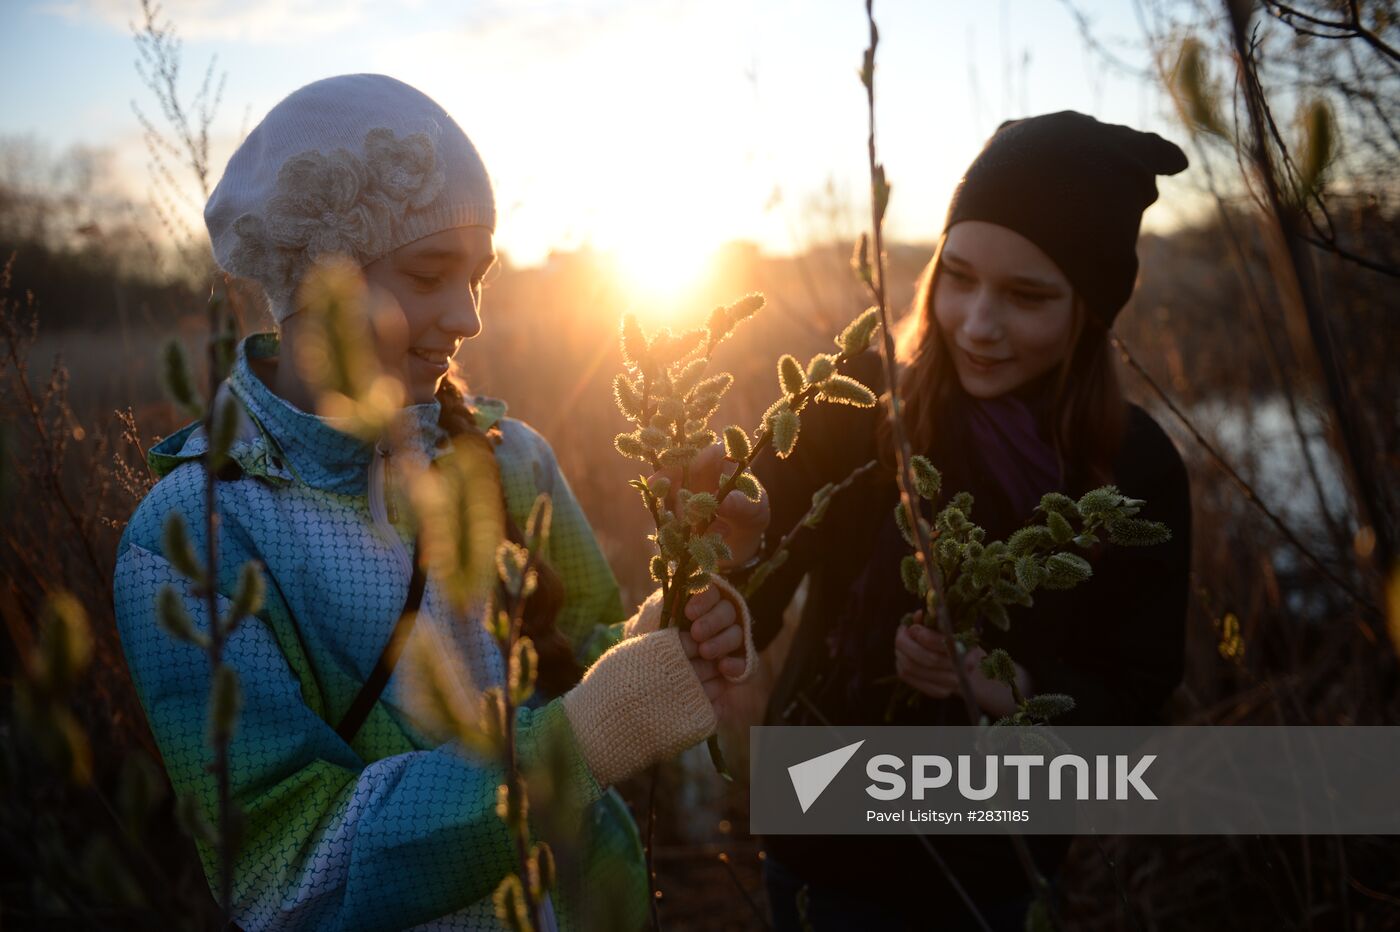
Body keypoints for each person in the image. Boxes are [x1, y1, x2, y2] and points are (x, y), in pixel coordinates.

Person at [112, 74, 766, 931]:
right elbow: (288, 870)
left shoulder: (511, 459)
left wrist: (669, 625)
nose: (467, 317)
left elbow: (580, 661)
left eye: (479, 276)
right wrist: (582, 740)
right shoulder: (195, 540)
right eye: (429, 272)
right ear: (318, 273)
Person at [734, 111, 1194, 931]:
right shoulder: (855, 402)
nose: (978, 324)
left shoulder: (1135, 471)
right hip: (818, 848)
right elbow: (747, 593)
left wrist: (1011, 689)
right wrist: (720, 538)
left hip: (991, 878)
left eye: (1026, 296)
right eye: (958, 275)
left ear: (1089, 311)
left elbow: (1134, 696)